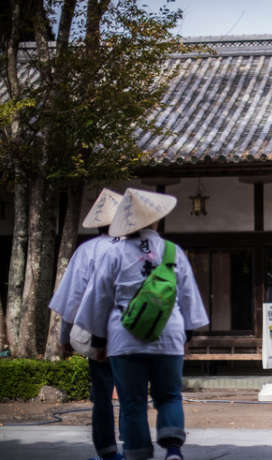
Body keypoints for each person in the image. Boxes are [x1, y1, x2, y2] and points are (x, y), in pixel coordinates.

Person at [75, 188, 209, 460]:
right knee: (170, 395)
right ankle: (172, 449)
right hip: (167, 335)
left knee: (132, 403)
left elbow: (99, 299)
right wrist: (186, 333)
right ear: (156, 220)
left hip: (124, 339)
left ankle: (137, 455)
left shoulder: (114, 253)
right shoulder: (173, 251)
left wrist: (99, 341)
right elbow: (188, 296)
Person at [48, 188, 124, 460]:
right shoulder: (136, 249)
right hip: (131, 333)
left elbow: (72, 298)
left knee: (102, 394)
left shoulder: (87, 251)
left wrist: (65, 336)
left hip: (96, 331)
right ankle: (134, 445)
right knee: (131, 392)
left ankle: (107, 451)